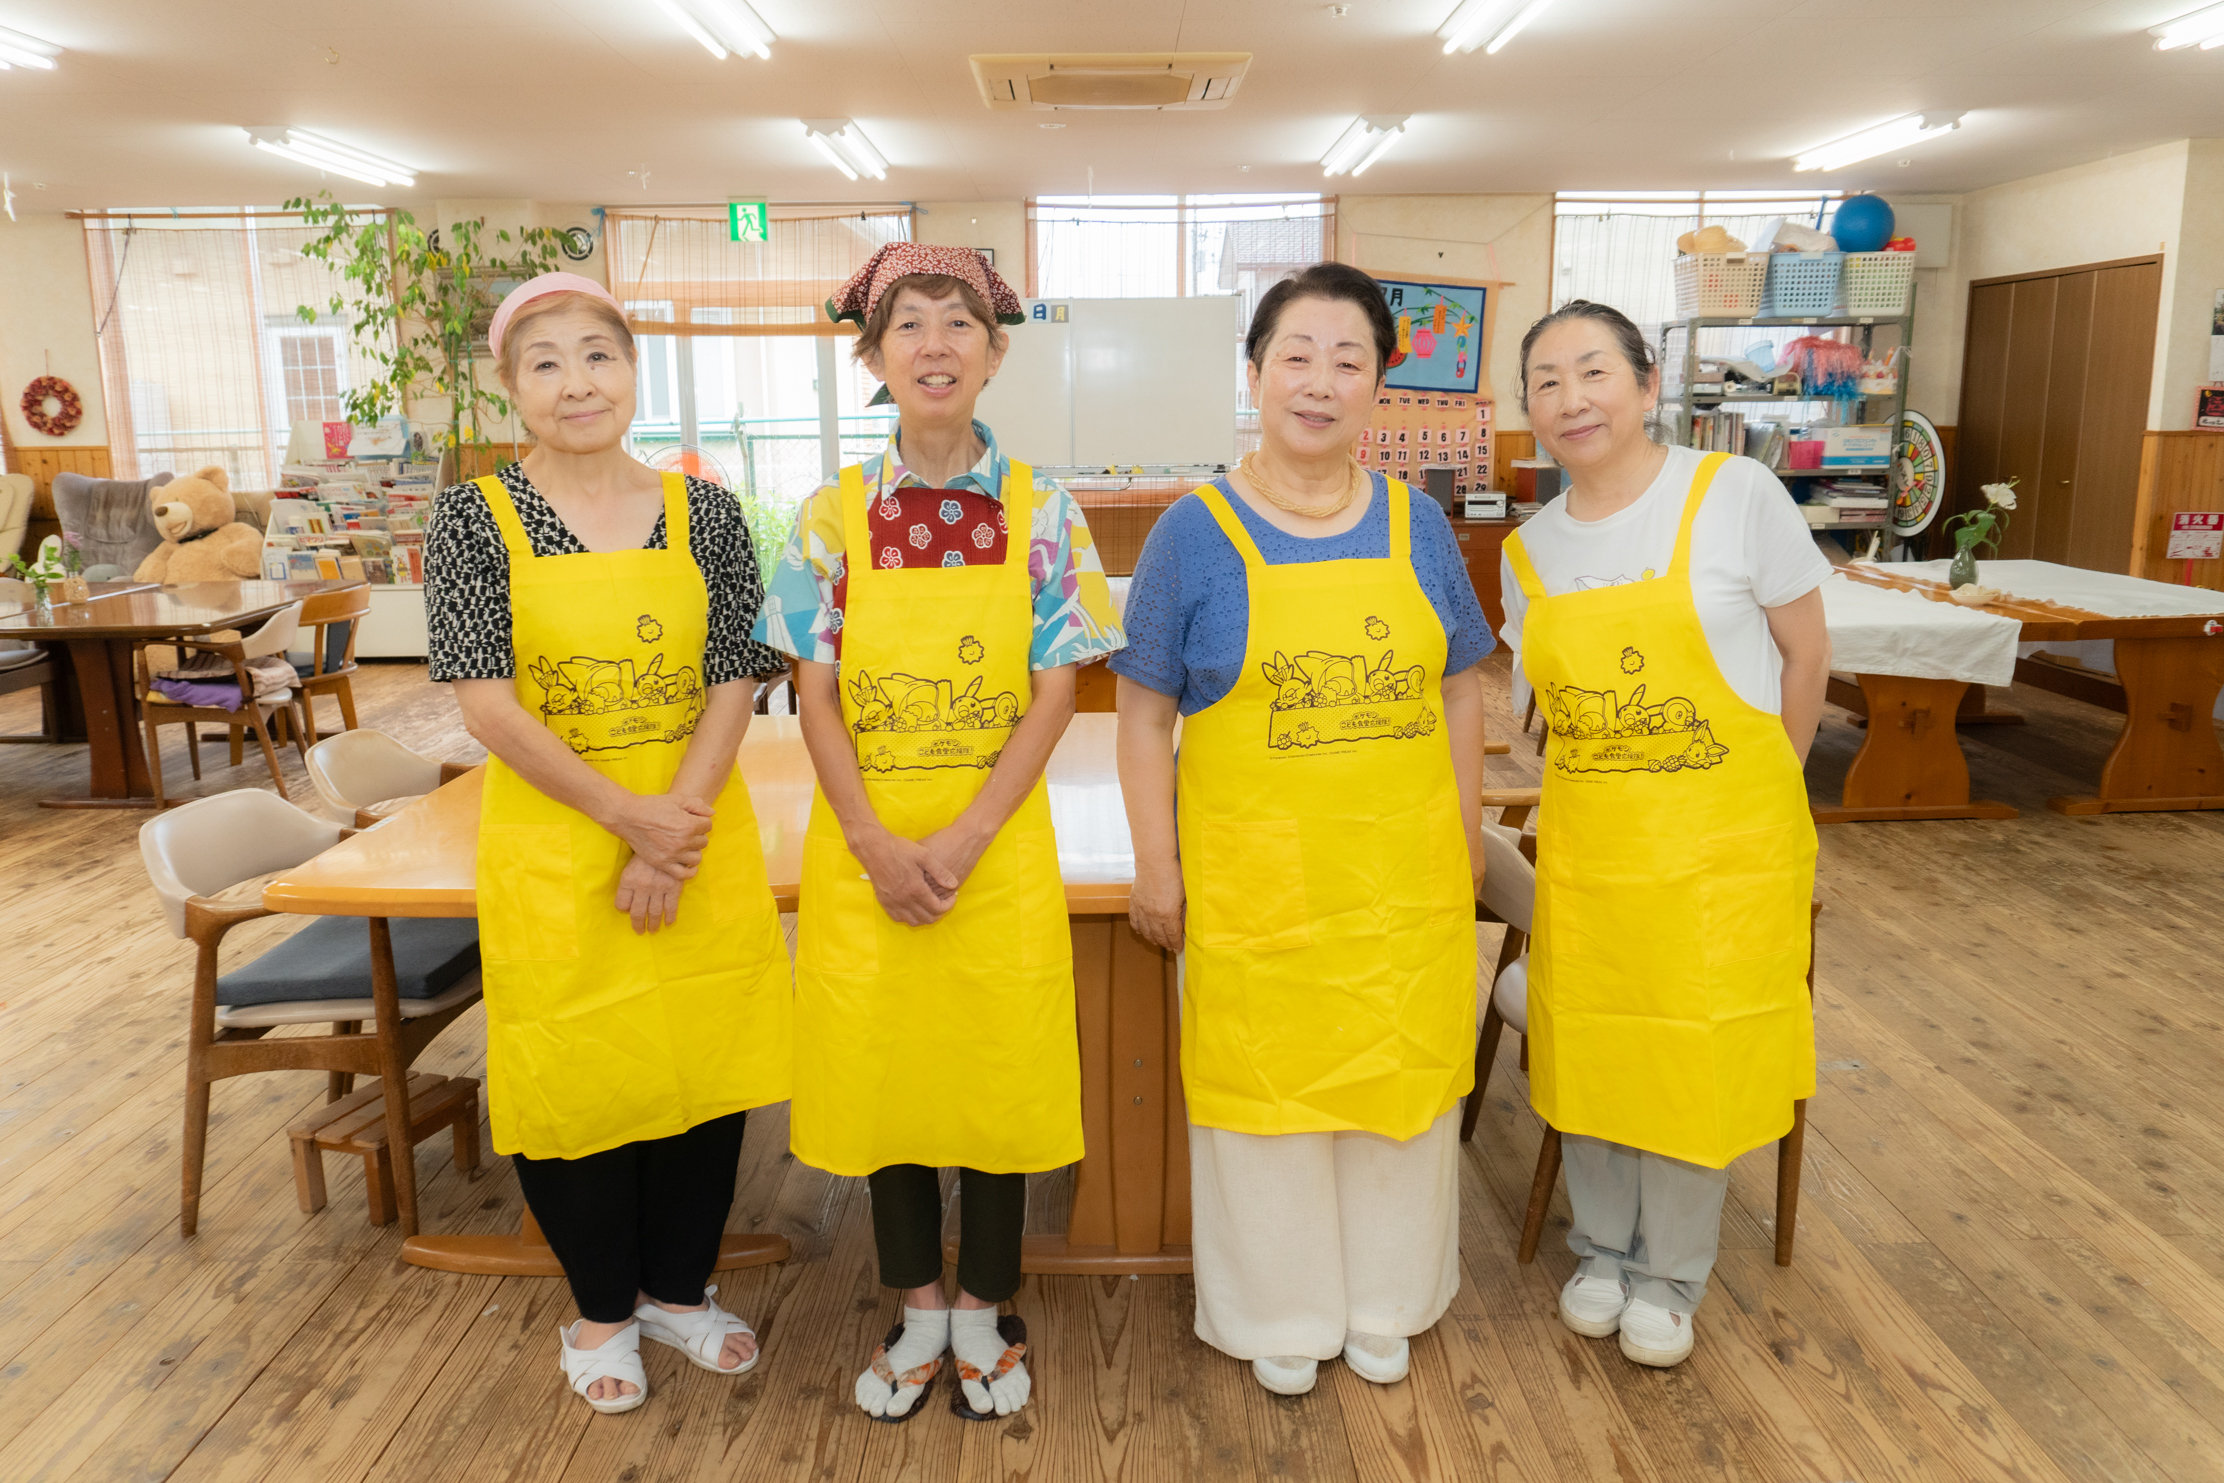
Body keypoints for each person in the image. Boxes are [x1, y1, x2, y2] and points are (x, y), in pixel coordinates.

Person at [754, 243, 1125, 1423]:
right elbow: (811, 692)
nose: (933, 344)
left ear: (994, 351)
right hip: (866, 851)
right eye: (907, 324)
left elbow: (1057, 689)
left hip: (995, 846)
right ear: (872, 357)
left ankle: (985, 1306)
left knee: (999, 1075)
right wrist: (871, 839)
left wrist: (963, 837)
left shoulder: (1045, 511)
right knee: (889, 1077)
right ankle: (919, 1306)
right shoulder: (827, 518)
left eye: (956, 322)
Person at [1112, 262, 1493, 1397]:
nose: (1320, 382)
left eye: (1349, 361)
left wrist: (1464, 842)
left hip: (1397, 879)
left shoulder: (1419, 524)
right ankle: (1278, 1310)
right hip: (1254, 885)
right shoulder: (1193, 532)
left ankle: (1387, 1299)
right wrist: (1155, 865)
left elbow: (1463, 687)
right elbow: (1142, 718)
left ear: (1378, 386)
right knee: (1263, 1106)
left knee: (1399, 1093)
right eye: (1297, 356)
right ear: (1256, 373)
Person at [425, 272, 793, 1415]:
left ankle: (679, 1291)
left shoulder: (706, 511)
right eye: (546, 361)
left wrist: (671, 823)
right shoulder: (471, 517)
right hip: (558, 840)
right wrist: (628, 818)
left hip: (692, 831)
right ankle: (597, 1310)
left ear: (633, 370)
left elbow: (734, 671)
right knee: (574, 1074)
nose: (576, 381)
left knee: (700, 1064)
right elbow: (485, 703)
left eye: (598, 354)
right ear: (508, 386)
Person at [1499, 299, 1830, 1369]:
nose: (1571, 398)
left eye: (1593, 371)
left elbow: (1804, 658)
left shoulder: (1732, 494)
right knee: (1594, 1040)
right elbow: (1536, 708)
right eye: (1546, 381)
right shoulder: (1528, 549)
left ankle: (1671, 1272)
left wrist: (1762, 793)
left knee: (1696, 1046)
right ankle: (1599, 1247)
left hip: (1719, 851)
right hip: (1594, 846)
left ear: (1647, 383)